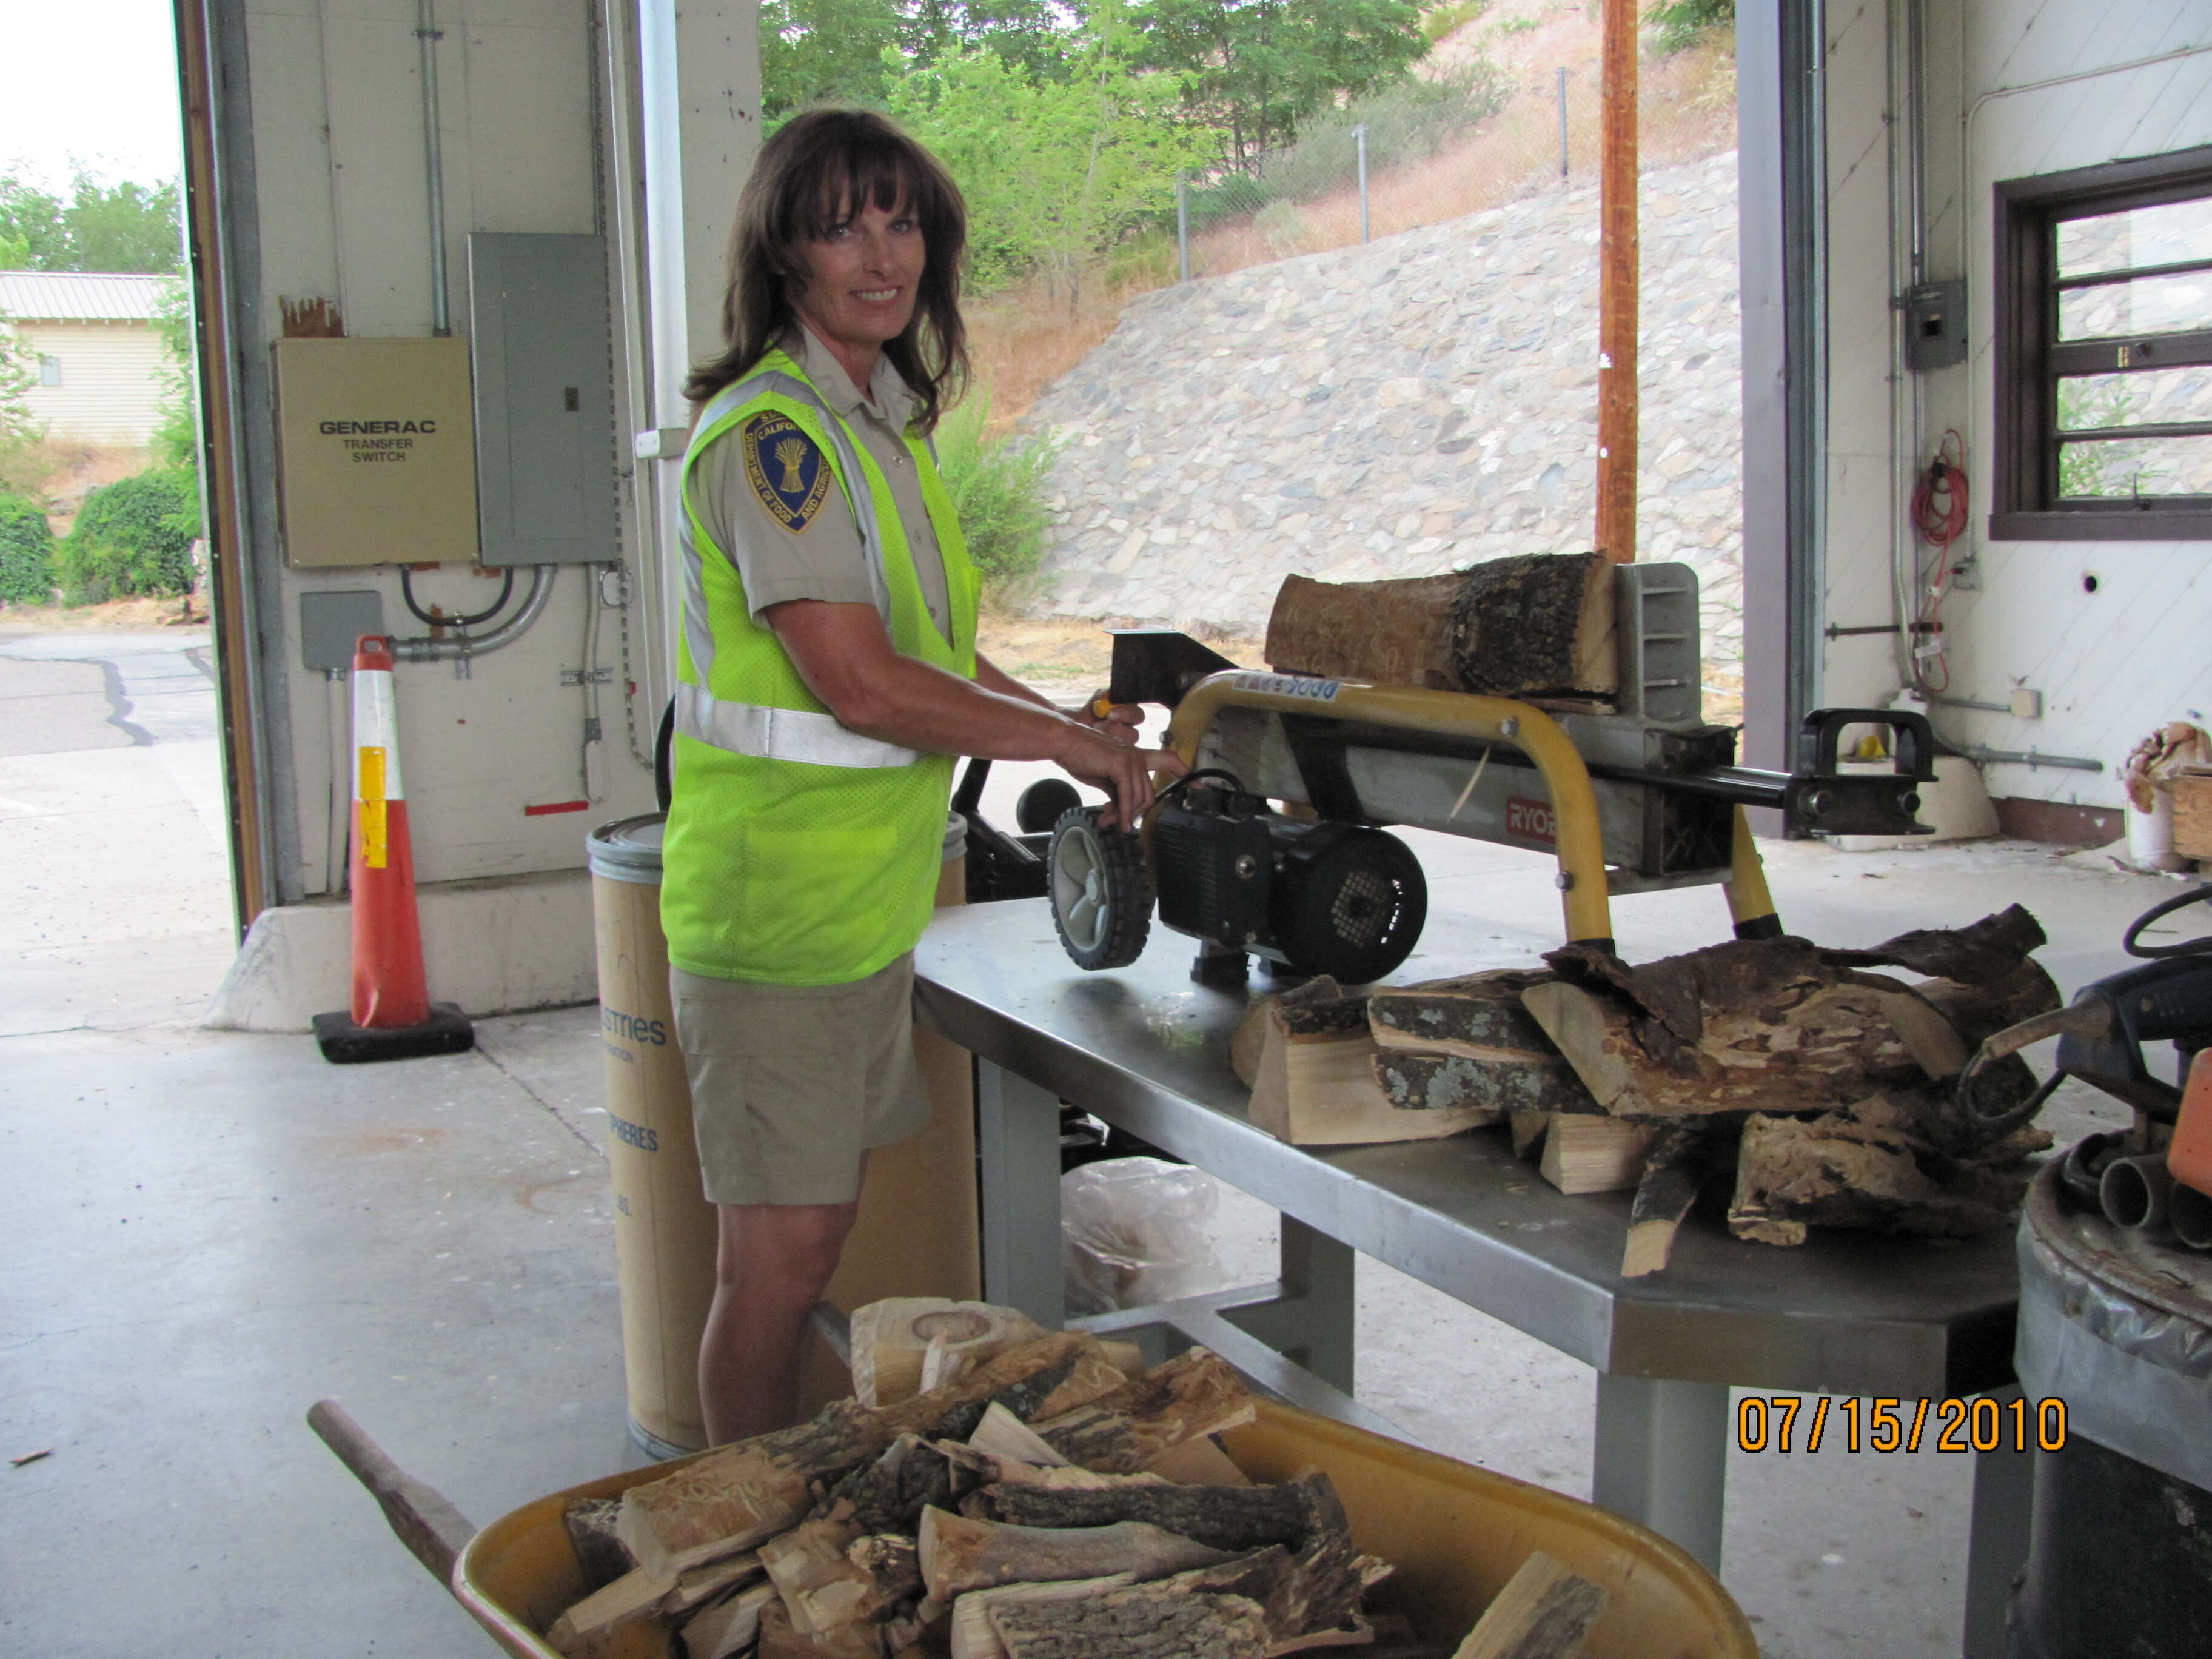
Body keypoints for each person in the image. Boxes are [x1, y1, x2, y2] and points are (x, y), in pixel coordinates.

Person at [662, 107, 1185, 1445]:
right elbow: (860, 683)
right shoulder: (775, 440)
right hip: (776, 914)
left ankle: (786, 1508)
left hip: (857, 904)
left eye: (901, 220)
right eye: (842, 224)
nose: (879, 253)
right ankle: (746, 1533)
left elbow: (936, 658)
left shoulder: (882, 426)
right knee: (772, 1271)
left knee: (807, 1243)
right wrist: (1064, 747)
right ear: (787, 252)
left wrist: (1068, 722)